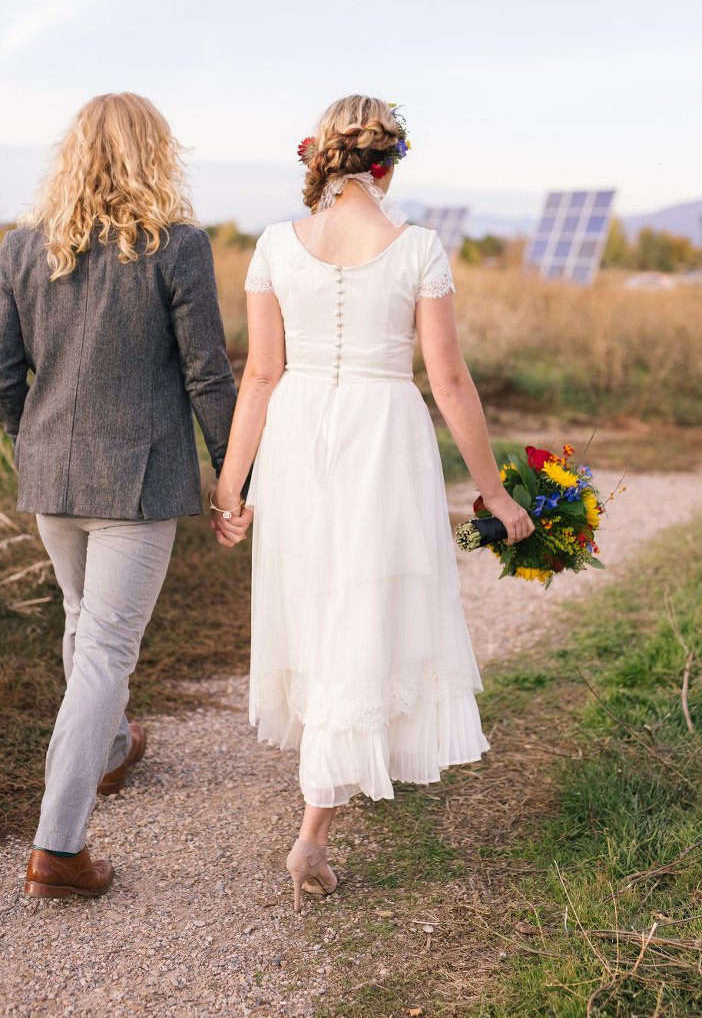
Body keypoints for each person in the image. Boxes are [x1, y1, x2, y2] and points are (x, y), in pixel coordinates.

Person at [210, 94, 533, 911]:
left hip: (297, 430)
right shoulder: (419, 248)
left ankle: (329, 787)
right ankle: (313, 832)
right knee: (364, 601)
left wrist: (231, 483)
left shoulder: (273, 248)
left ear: (322, 157)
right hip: (383, 431)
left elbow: (259, 375)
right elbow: (449, 380)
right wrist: (492, 490)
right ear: (388, 163)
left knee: (322, 601)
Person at [0, 92, 248, 899]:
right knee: (105, 646)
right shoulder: (177, 246)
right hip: (135, 481)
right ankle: (57, 849)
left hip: (51, 478)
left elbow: (5, 377)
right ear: (156, 153)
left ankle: (105, 750)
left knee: (85, 624)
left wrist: (30, 442)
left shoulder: (23, 249)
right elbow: (209, 371)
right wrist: (235, 474)